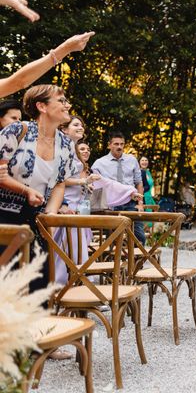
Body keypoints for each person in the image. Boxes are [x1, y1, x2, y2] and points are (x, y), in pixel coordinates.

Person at [0, 85, 78, 293]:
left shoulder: (66, 144)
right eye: (61, 100)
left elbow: (60, 183)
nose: (67, 104)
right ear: (42, 106)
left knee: (37, 288)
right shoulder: (18, 131)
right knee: (6, 287)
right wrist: (25, 191)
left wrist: (50, 215)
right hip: (4, 219)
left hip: (36, 220)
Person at [53, 116, 101, 283]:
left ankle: (81, 290)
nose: (81, 127)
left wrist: (85, 186)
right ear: (64, 129)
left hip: (77, 206)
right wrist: (82, 181)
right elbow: (56, 178)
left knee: (78, 250)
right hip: (66, 205)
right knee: (69, 250)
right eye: (76, 125)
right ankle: (66, 289)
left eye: (81, 124)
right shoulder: (60, 148)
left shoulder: (72, 150)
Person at [91, 131, 146, 244]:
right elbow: (94, 186)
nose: (119, 147)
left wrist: (140, 204)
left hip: (132, 202)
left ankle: (136, 261)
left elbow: (139, 183)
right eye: (116, 144)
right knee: (113, 239)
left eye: (122, 144)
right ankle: (115, 261)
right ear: (109, 145)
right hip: (112, 204)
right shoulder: (99, 163)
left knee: (139, 237)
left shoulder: (132, 160)